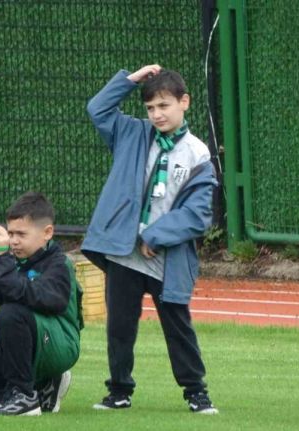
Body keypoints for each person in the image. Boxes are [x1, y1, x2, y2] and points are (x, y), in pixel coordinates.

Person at [81, 65, 219, 414]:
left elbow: (198, 213)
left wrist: (156, 235)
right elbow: (97, 109)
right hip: (124, 254)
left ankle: (196, 392)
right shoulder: (131, 133)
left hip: (166, 259)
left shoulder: (198, 153)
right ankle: (119, 390)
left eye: (164, 105)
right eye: (150, 107)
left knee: (177, 327)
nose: (157, 114)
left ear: (184, 102)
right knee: (119, 327)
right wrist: (130, 80)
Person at [0, 192, 83, 416]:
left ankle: (24, 396)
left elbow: (25, 293)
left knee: (11, 312)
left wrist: (3, 256)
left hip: (60, 345)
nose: (13, 241)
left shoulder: (59, 265)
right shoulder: (15, 261)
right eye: (11, 233)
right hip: (23, 347)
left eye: (21, 234)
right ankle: (43, 385)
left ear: (47, 233)